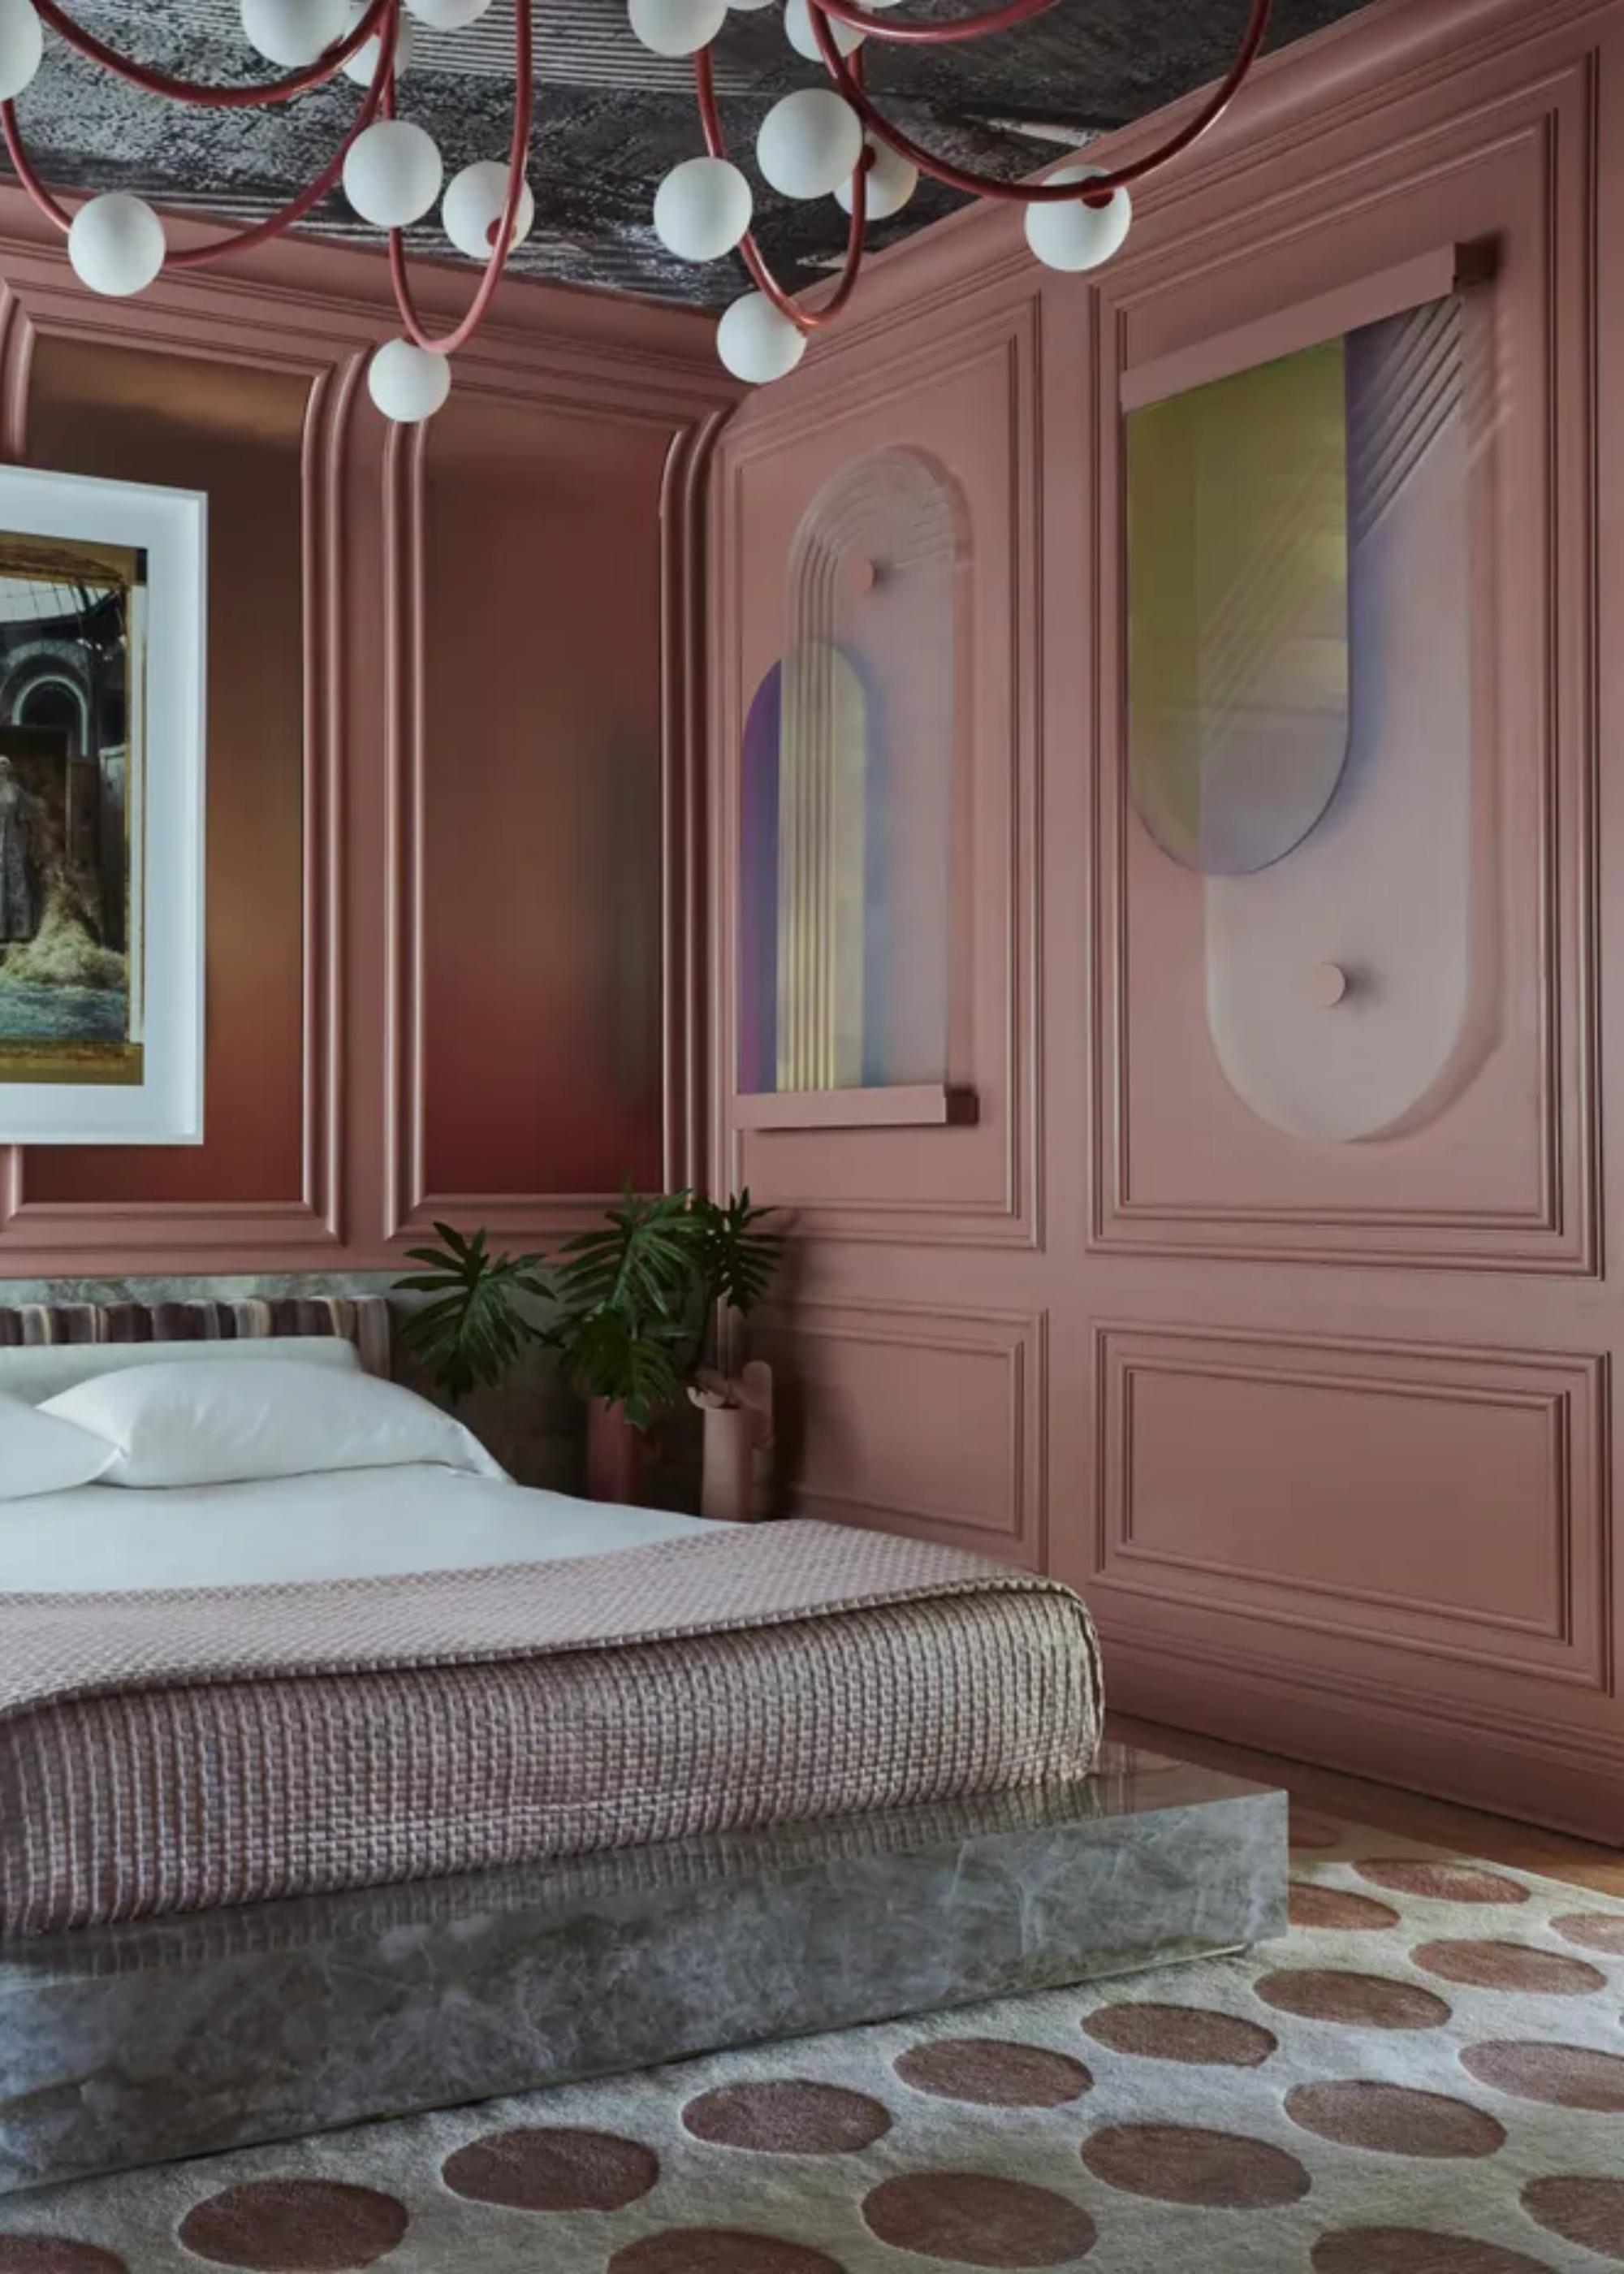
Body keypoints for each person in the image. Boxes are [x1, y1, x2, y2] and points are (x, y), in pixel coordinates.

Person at [0, 755, 38, 944]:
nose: (1, 767)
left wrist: (26, 843)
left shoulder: (15, 791)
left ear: (10, 768)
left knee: (15, 883)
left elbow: (24, 820)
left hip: (11, 843)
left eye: (4, 764)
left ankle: (18, 931)